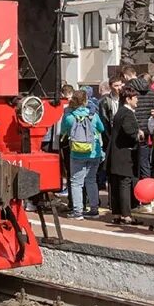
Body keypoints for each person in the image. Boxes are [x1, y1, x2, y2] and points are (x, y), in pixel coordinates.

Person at [60, 89, 105, 220]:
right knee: (91, 180)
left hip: (77, 152)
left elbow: (63, 130)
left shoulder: (69, 116)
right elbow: (101, 128)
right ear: (86, 100)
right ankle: (94, 209)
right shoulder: (93, 115)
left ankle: (78, 211)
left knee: (76, 182)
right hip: (94, 151)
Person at [107, 86, 142, 225]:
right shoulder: (127, 113)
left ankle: (116, 213)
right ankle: (127, 215)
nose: (137, 100)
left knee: (116, 183)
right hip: (124, 153)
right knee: (124, 183)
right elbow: (129, 131)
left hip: (116, 153)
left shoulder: (119, 112)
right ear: (128, 99)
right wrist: (138, 134)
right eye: (135, 97)